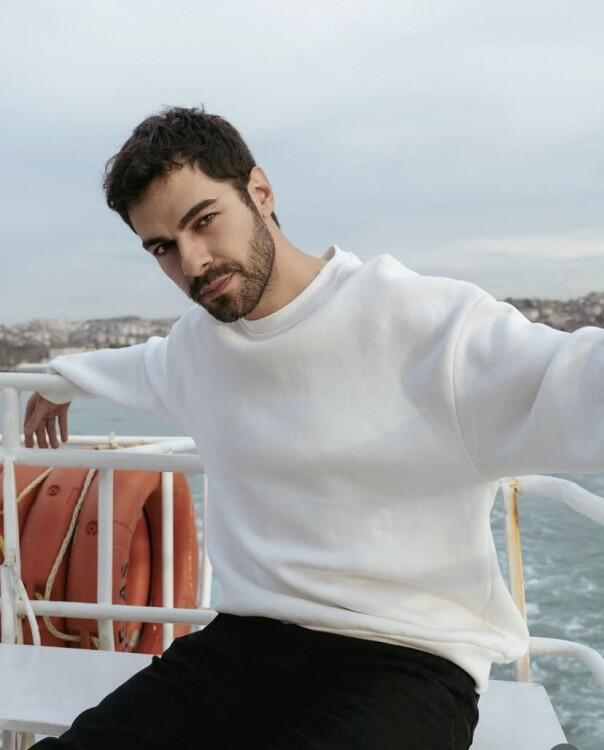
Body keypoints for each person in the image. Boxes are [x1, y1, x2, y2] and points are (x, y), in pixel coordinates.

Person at [23, 105, 600, 749]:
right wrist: (60, 379)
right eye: (163, 246)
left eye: (204, 220)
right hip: (243, 645)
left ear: (261, 192)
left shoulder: (425, 322)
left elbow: (575, 379)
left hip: (408, 657)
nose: (193, 262)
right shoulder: (199, 348)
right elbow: (140, 365)